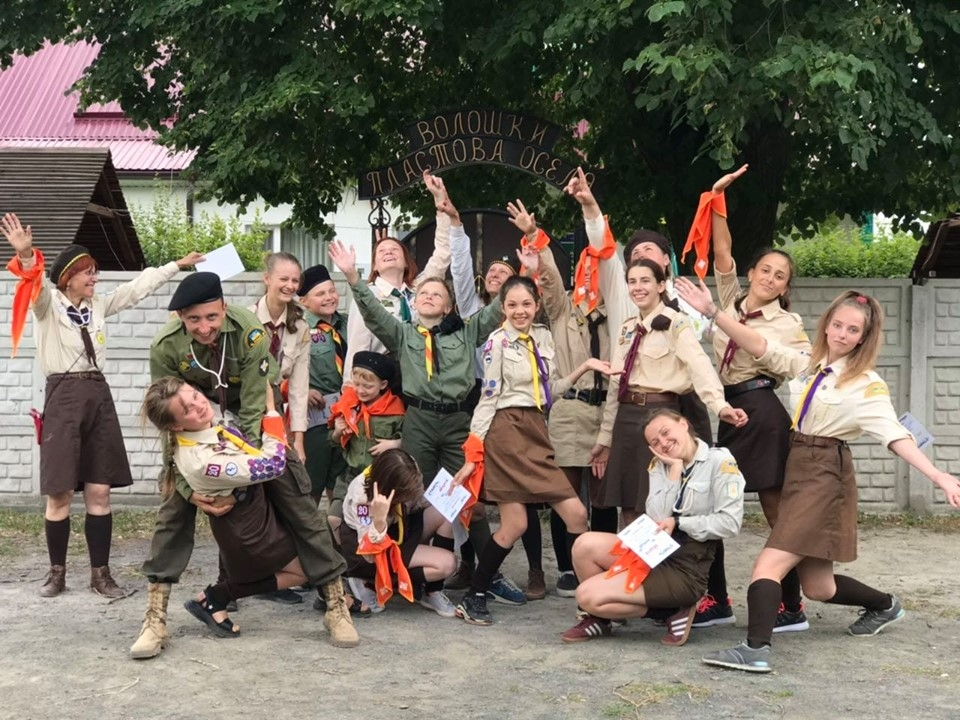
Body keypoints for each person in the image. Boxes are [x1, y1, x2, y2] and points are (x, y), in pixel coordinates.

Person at [674, 284, 960, 673]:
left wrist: (938, 475)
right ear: (826, 324)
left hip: (825, 474)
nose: (842, 334)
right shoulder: (810, 363)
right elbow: (761, 346)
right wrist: (713, 313)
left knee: (768, 565)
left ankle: (755, 649)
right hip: (798, 464)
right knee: (819, 587)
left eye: (853, 330)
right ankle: (885, 605)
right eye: (837, 325)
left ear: (864, 337)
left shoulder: (866, 384)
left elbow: (895, 435)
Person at [130, 271, 358, 659]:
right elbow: (168, 420)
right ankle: (155, 619)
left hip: (253, 427)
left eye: (211, 317)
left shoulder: (249, 332)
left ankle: (336, 605)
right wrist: (190, 488)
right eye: (194, 320)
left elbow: (255, 407)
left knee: (301, 505)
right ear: (181, 318)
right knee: (172, 513)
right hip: (197, 426)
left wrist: (239, 477)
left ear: (223, 308)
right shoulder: (165, 348)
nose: (204, 327)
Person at [331, 188, 527, 607]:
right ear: (415, 302)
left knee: (463, 499)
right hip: (419, 421)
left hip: (458, 422)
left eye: (437, 294)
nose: (428, 297)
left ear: (449, 304)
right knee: (408, 493)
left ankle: (479, 576)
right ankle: (396, 571)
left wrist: (525, 267)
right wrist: (352, 278)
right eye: (423, 294)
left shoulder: (468, 331)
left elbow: (500, 308)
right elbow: (373, 313)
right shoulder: (402, 334)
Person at [2, 212, 202, 600]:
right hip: (62, 398)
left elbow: (138, 288)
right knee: (59, 493)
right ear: (69, 277)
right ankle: (56, 573)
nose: (95, 278)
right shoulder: (48, 305)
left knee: (100, 491)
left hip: (99, 397)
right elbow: (33, 284)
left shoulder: (98, 307)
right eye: (89, 273)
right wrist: (26, 255)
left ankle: (101, 575)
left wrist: (176, 265)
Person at [684, 166, 813, 634]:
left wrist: (718, 317)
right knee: (708, 503)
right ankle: (716, 599)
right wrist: (716, 200)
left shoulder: (788, 324)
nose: (771, 279)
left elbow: (791, 365)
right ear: (753, 272)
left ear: (785, 287)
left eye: (781, 276)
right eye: (765, 270)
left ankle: (790, 606)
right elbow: (722, 253)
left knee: (778, 512)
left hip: (763, 411)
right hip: (729, 410)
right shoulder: (732, 301)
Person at [451, 274, 616, 626]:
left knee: (573, 516)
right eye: (512, 305)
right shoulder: (497, 342)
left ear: (537, 305)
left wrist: (584, 367)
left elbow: (549, 390)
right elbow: (488, 398)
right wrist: (473, 452)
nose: (520, 311)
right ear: (503, 307)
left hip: (537, 429)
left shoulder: (543, 337)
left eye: (526, 303)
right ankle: (475, 595)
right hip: (507, 431)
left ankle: (594, 601)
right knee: (519, 523)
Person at [141, 376, 311, 637]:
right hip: (249, 528)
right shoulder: (203, 460)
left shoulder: (204, 430)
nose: (199, 405)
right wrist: (272, 412)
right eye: (187, 409)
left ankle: (215, 599)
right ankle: (214, 598)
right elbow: (272, 465)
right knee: (301, 572)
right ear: (175, 425)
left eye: (195, 395)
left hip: (253, 515)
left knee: (294, 569)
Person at [506, 198, 616, 600]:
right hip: (571, 408)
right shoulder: (563, 310)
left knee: (603, 496)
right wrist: (533, 234)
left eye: (595, 272)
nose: (590, 278)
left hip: (606, 408)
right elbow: (549, 279)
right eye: (585, 271)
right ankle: (569, 567)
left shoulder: (617, 314)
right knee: (564, 491)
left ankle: (603, 563)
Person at [561, 409, 745, 645]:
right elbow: (656, 516)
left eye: (666, 433)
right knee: (584, 545)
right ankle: (600, 619)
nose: (663, 444)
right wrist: (674, 471)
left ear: (683, 424)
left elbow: (730, 523)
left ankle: (671, 611)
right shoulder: (660, 464)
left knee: (586, 596)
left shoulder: (719, 461)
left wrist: (680, 522)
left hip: (686, 564)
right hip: (654, 548)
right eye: (655, 442)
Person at [592, 257, 747, 528]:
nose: (638, 287)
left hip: (660, 417)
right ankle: (633, 555)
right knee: (628, 506)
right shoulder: (628, 328)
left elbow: (699, 365)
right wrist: (605, 438)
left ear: (661, 285)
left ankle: (660, 556)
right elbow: (617, 385)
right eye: (632, 282)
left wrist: (719, 405)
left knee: (657, 501)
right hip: (627, 419)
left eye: (645, 281)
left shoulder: (676, 323)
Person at [342, 170, 451, 381]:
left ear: (406, 261)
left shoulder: (421, 288)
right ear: (375, 266)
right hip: (383, 377)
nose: (389, 252)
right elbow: (358, 344)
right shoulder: (368, 295)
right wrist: (350, 385)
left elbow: (443, 252)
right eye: (382, 251)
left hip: (421, 373)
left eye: (395, 249)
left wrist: (440, 201)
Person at [249, 251, 312, 604]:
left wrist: (297, 439)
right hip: (246, 408)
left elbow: (299, 388)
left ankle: (273, 578)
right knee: (245, 493)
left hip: (278, 413)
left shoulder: (300, 327)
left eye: (295, 280)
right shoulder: (244, 319)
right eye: (283, 279)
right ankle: (234, 577)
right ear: (267, 279)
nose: (290, 286)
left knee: (280, 491)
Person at [340, 449, 457, 617]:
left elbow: (418, 501)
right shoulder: (363, 498)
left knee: (446, 513)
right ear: (391, 488)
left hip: (402, 525)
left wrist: (447, 495)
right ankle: (367, 580)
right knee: (447, 563)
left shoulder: (409, 468)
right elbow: (369, 554)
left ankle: (432, 591)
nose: (416, 488)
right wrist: (379, 521)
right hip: (370, 548)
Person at [327, 351, 406, 533]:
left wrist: (394, 444)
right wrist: (337, 432)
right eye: (356, 384)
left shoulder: (395, 411)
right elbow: (332, 442)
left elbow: (410, 441)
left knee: (368, 523)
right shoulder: (348, 406)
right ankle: (345, 550)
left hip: (379, 481)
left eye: (368, 386)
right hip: (350, 476)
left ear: (383, 385)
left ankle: (369, 550)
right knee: (333, 518)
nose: (360, 390)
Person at [298, 263, 348, 507]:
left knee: (339, 480)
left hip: (347, 411)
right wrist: (302, 391)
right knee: (313, 481)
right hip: (315, 416)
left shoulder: (348, 324)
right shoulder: (298, 328)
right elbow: (280, 369)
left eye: (332, 290)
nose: (329, 297)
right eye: (320, 294)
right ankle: (307, 528)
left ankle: (336, 527)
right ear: (304, 301)